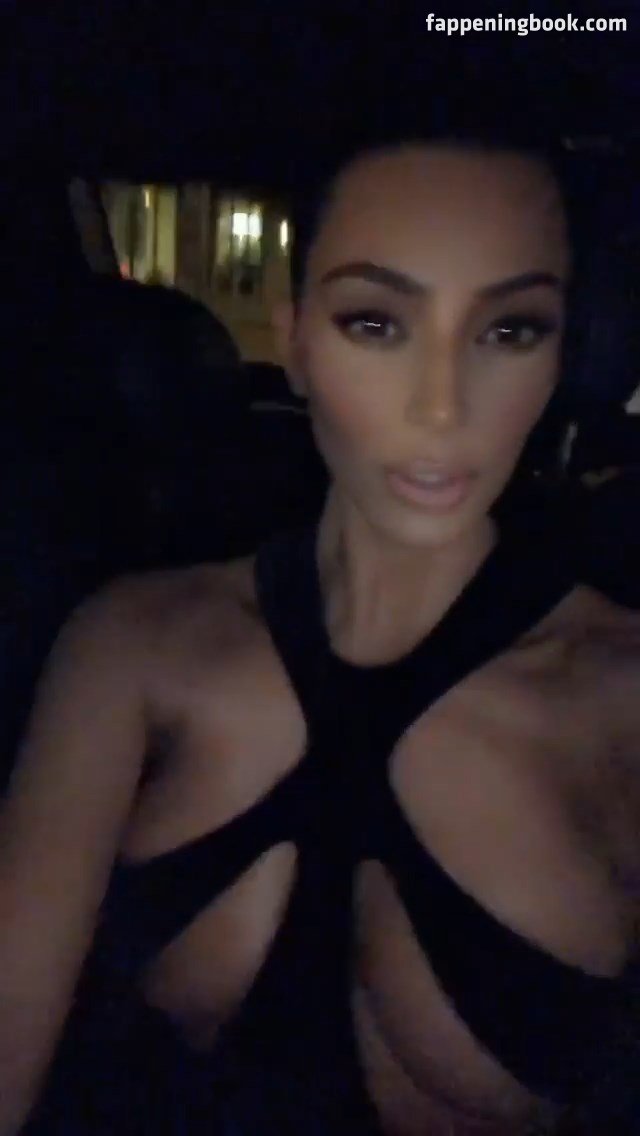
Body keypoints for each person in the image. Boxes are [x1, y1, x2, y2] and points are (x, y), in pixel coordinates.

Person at [1, 116, 639, 1136]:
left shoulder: (618, 695)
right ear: (294, 342)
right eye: (376, 323)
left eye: (508, 330)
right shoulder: (132, 644)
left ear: (566, 355)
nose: (441, 407)